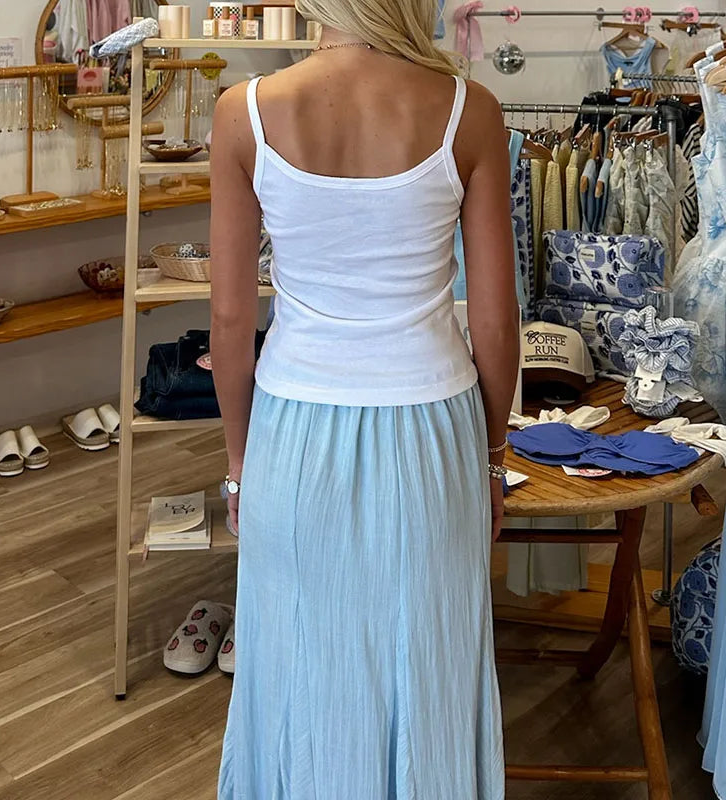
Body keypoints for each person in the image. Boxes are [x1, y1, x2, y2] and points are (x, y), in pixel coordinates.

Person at [209, 0, 519, 796]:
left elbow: (230, 316)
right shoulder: (469, 110)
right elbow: (493, 318)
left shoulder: (246, 113)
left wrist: (241, 461)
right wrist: (492, 455)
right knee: (430, 665)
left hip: (293, 426)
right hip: (433, 425)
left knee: (299, 663)